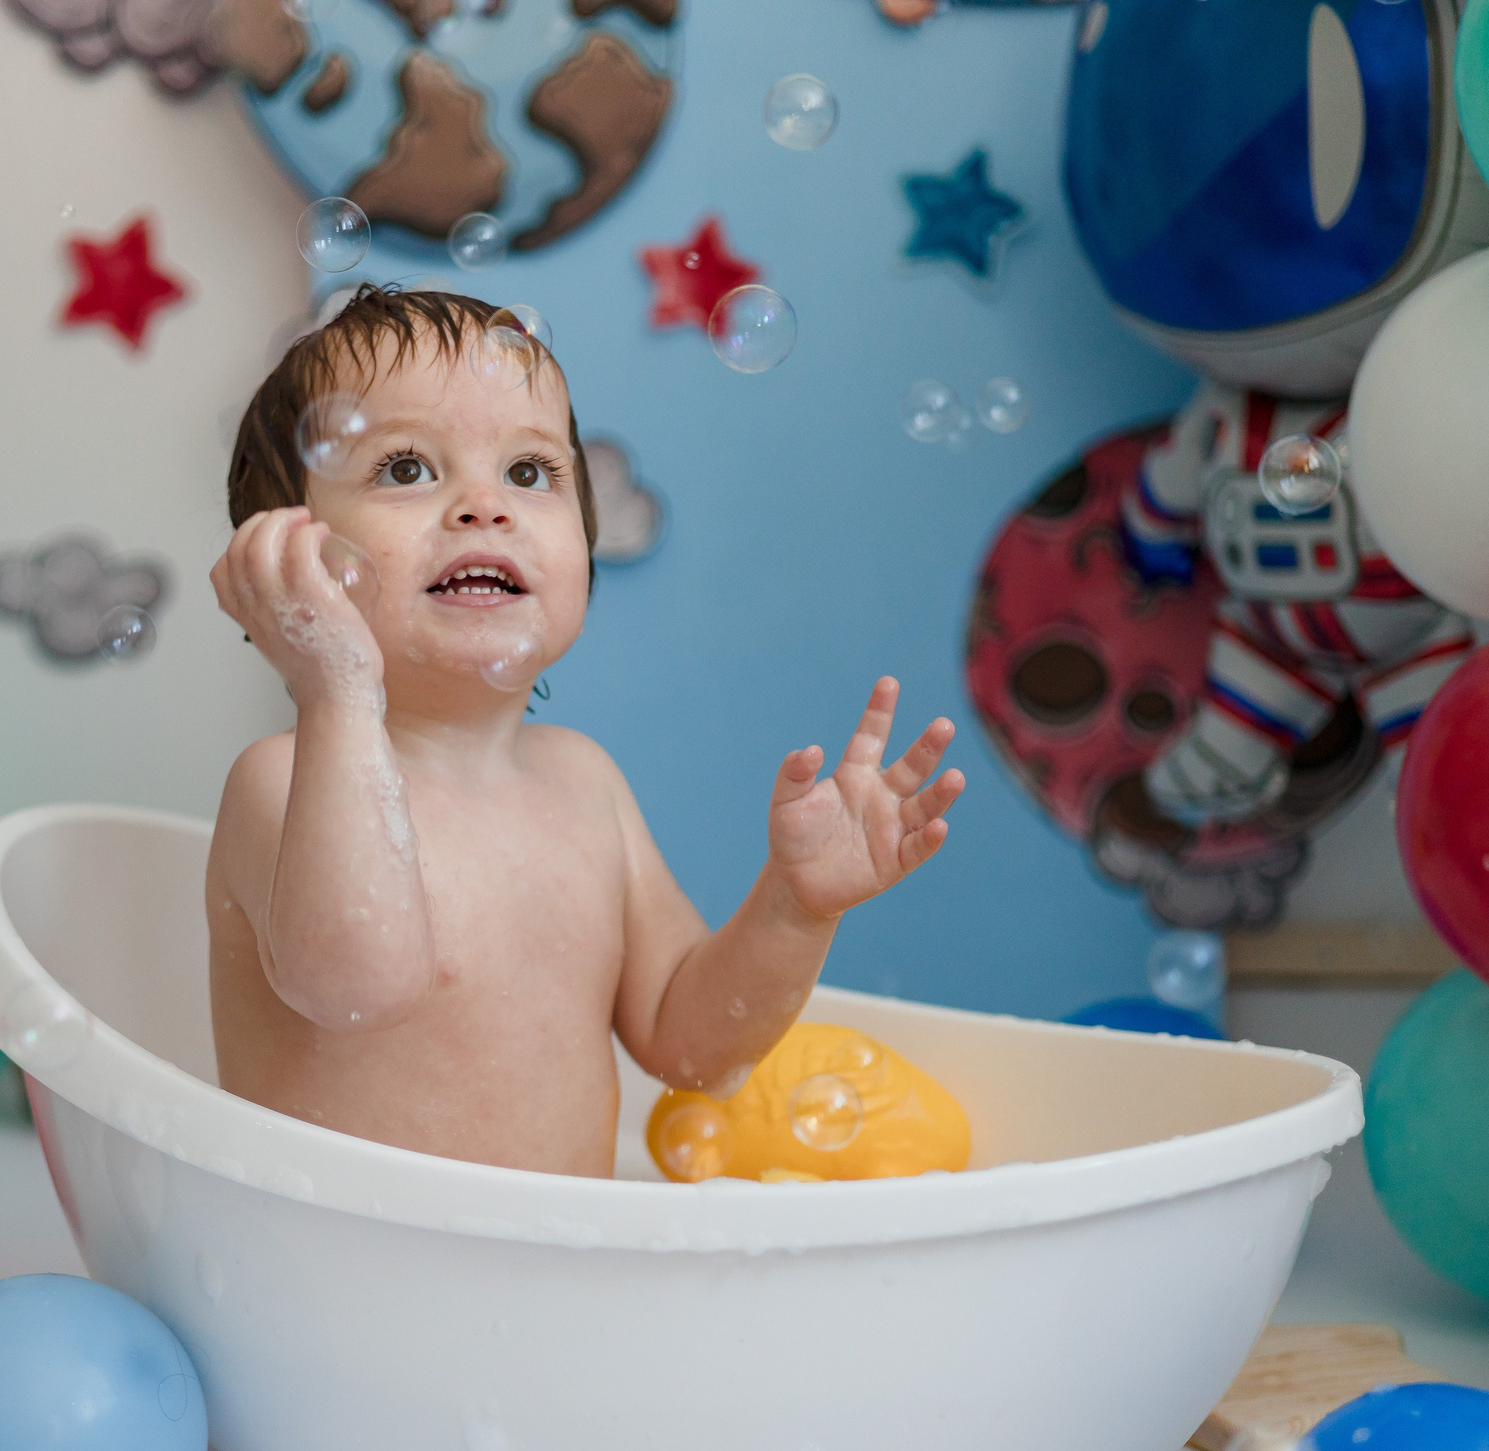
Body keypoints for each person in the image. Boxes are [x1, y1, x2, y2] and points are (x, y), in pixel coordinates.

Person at [206, 287, 963, 1178]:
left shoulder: (585, 786)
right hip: (345, 1283)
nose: (485, 506)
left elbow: (692, 1049)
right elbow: (355, 987)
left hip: (563, 1285)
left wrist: (795, 905)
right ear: (289, 556)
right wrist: (335, 686)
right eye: (406, 467)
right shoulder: (281, 784)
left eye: (530, 473)